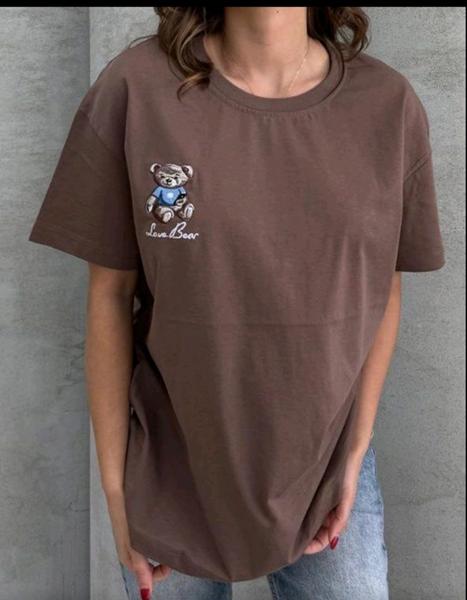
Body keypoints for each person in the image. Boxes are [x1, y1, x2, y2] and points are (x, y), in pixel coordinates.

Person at [28, 7, 446, 600]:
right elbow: (109, 297)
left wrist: (354, 453)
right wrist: (117, 493)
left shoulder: (386, 105)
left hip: (327, 473)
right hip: (170, 473)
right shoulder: (137, 89)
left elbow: (384, 287)